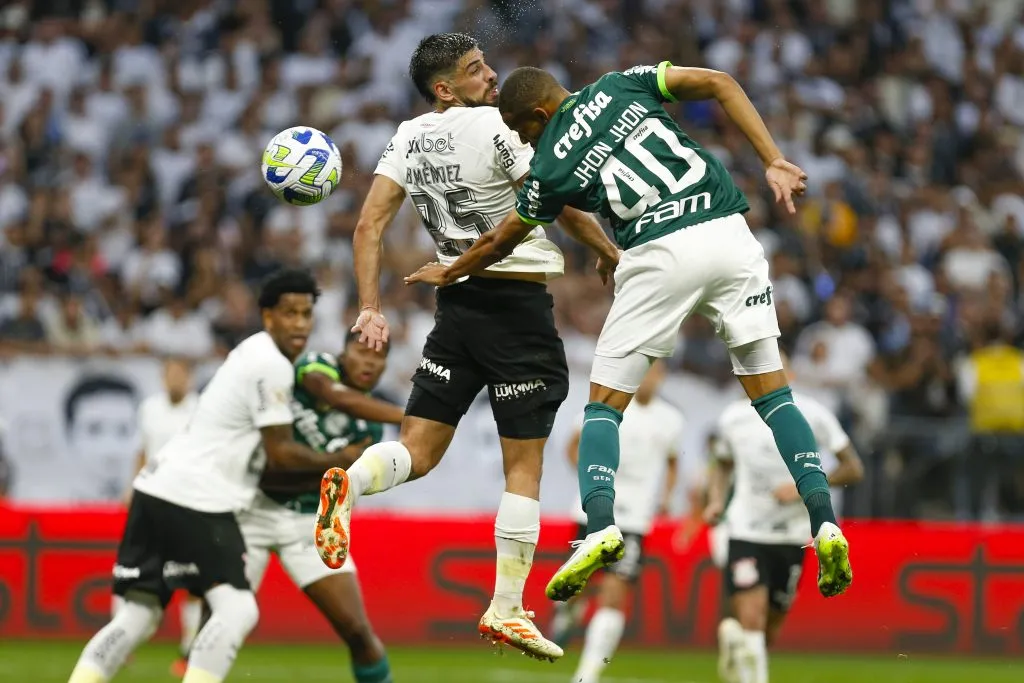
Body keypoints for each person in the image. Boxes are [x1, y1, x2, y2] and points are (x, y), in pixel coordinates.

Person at [405, 61, 853, 603]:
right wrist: (773, 159)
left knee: (604, 405)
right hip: (729, 234)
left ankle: (599, 526)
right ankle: (824, 520)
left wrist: (451, 270)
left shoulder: (548, 165)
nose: (527, 139)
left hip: (659, 249)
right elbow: (718, 82)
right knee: (774, 394)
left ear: (540, 115)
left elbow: (501, 241)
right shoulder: (625, 81)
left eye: (525, 129)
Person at [314, 33, 618, 662]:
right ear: (445, 88)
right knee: (524, 466)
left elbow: (369, 223)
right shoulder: (498, 128)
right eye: (476, 69)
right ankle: (507, 606)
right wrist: (607, 248)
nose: (491, 74)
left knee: (417, 451)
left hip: (455, 310)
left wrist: (369, 305)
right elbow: (551, 196)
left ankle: (348, 482)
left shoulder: (407, 137)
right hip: (516, 313)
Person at [67, 268, 352, 683]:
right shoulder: (271, 364)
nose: (299, 323)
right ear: (267, 316)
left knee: (138, 617)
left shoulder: (250, 352)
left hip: (154, 489)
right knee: (239, 610)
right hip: (198, 498)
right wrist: (343, 458)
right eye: (288, 313)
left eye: (306, 314)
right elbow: (280, 453)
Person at [240, 331, 399, 683]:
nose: (370, 361)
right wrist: (408, 417)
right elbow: (331, 395)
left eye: (380, 356)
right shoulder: (317, 366)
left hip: (308, 523)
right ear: (343, 352)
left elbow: (318, 479)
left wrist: (310, 463)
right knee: (228, 620)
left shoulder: (370, 427)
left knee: (358, 631)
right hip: (252, 509)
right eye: (362, 351)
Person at [705, 354, 864, 683]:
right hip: (746, 529)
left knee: (769, 627)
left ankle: (737, 651)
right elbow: (721, 462)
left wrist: (802, 486)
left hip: (793, 536)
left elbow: (853, 467)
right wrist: (717, 499)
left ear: (789, 373)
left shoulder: (814, 414)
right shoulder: (734, 417)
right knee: (752, 615)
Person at [550, 360, 683, 683]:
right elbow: (572, 445)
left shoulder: (671, 420)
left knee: (615, 591)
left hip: (635, 519)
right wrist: (586, 478)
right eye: (646, 371)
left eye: (656, 372)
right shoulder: (607, 406)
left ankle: (587, 674)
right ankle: (567, 613)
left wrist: (665, 496)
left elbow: (672, 462)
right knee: (575, 588)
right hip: (591, 512)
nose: (650, 378)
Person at [120, 356, 200, 678]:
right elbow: (142, 449)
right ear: (162, 377)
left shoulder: (202, 407)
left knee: (195, 582)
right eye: (170, 373)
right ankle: (123, 643)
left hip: (188, 502)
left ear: (190, 378)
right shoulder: (149, 408)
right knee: (133, 574)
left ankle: (189, 650)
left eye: (181, 373)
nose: (175, 379)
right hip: (151, 499)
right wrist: (132, 487)